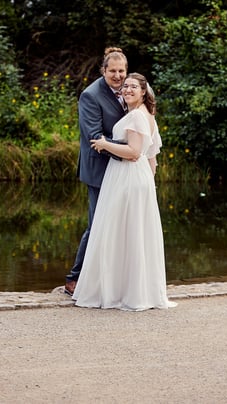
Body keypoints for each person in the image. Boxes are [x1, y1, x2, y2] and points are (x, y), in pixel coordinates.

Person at [72, 73, 177, 311]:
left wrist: (104, 143)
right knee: (131, 234)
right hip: (137, 179)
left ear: (143, 92)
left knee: (118, 232)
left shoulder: (139, 117)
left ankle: (122, 291)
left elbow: (134, 153)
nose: (127, 89)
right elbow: (152, 157)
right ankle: (129, 289)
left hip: (127, 177)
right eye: (126, 86)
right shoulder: (144, 116)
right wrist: (149, 184)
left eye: (133, 87)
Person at [64, 47, 129, 296]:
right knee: (97, 224)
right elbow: (94, 137)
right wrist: (130, 152)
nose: (117, 75)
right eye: (112, 71)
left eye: (121, 70)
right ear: (103, 71)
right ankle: (74, 278)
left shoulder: (129, 88)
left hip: (122, 168)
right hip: (100, 169)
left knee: (121, 224)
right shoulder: (90, 95)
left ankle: (110, 279)